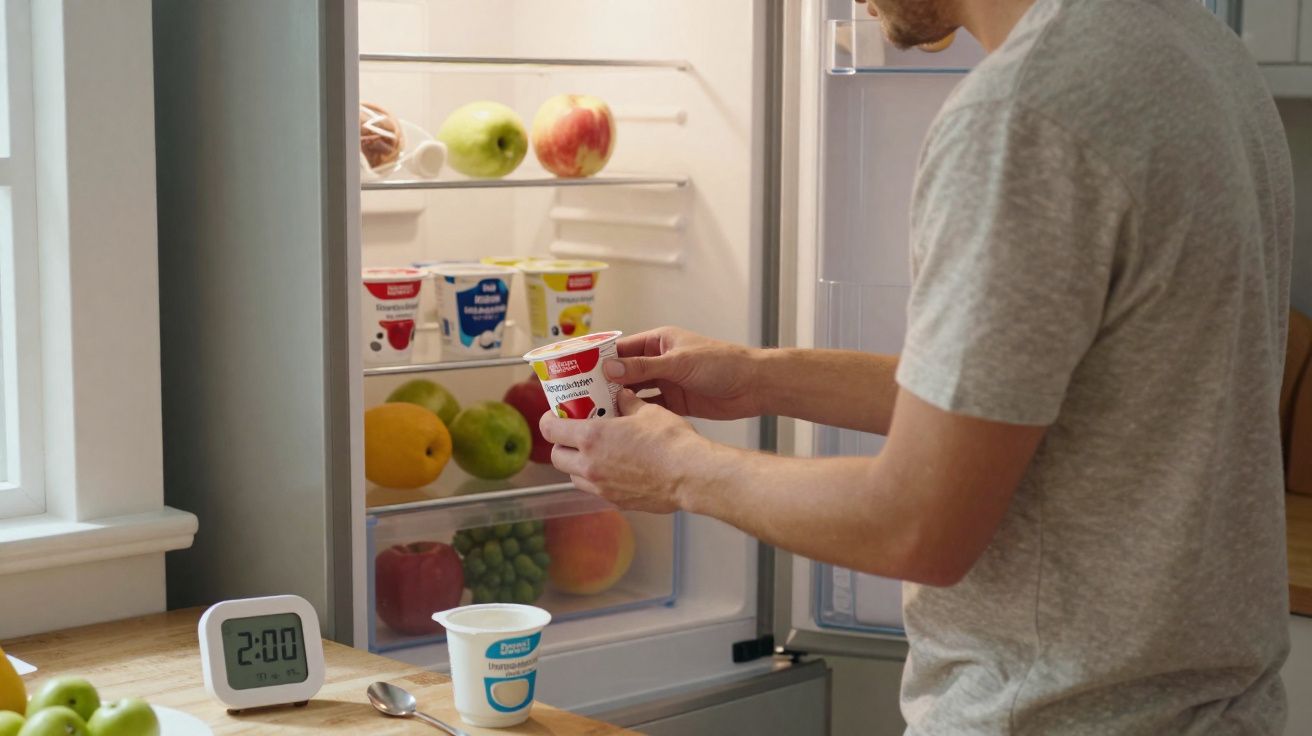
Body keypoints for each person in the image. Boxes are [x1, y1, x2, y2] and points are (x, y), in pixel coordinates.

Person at [540, 0, 1293, 733]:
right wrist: (759, 375)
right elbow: (1028, 403)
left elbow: (918, 524)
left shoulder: (1021, 115)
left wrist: (679, 469)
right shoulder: (1196, 47)